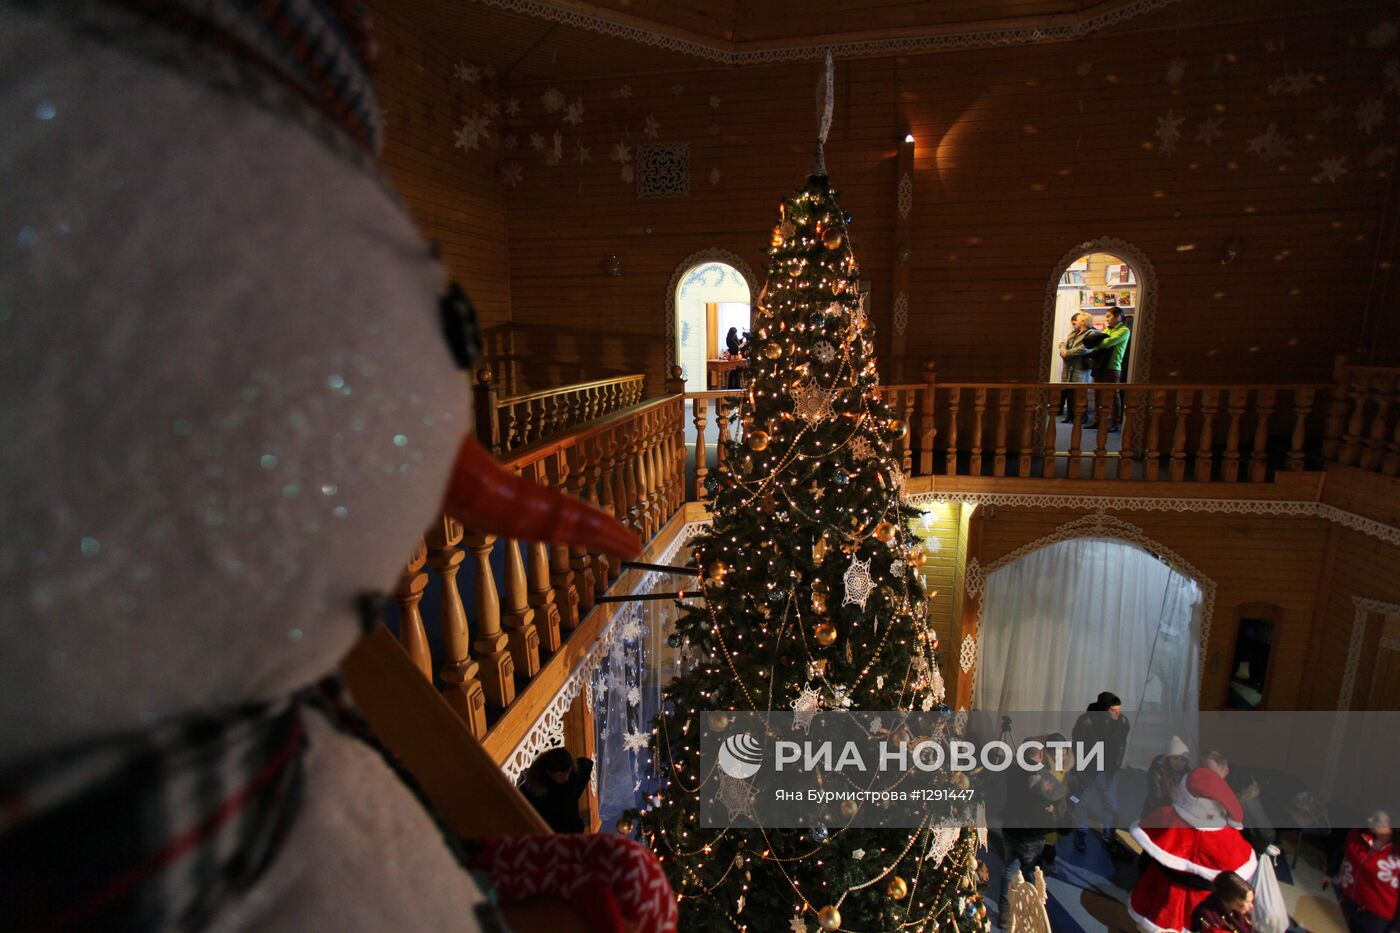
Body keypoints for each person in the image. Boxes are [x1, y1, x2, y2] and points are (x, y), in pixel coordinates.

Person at [1129, 768, 1259, 933]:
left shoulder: (1166, 817)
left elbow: (1146, 843)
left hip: (1164, 891)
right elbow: (1238, 867)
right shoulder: (1227, 835)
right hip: (1202, 900)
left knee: (1156, 922)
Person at [997, 743, 1066, 920]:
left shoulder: (1012, 769)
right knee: (1026, 870)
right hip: (1030, 833)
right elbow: (1055, 793)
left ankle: (1004, 913)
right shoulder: (1038, 774)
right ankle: (1022, 910)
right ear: (1041, 755)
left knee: (1010, 867)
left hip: (1010, 827)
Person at [1072, 691, 1131, 851]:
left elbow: (1121, 745)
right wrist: (1081, 769)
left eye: (1118, 709)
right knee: (1081, 803)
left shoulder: (1123, 722)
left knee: (1111, 805)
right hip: (1088, 767)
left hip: (1108, 769)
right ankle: (1081, 833)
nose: (1117, 713)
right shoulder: (1087, 721)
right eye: (1113, 710)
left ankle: (1108, 836)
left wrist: (1115, 765)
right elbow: (1078, 746)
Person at [1329, 808, 1399, 933]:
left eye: (1377, 820)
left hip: (1376, 916)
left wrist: (1396, 927)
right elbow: (1343, 850)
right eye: (1372, 816)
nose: (1370, 820)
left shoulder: (1396, 854)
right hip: (1347, 899)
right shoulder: (1359, 834)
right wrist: (1330, 873)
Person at [522, 747, 595, 833]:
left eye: (568, 771)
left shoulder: (572, 775)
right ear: (548, 772)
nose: (566, 778)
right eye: (560, 775)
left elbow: (587, 765)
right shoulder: (537, 792)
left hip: (574, 827)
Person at [1086, 306, 1131, 432]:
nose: (1107, 319)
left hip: (1112, 366)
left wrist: (1098, 341)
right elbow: (1099, 342)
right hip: (1100, 365)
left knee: (1112, 394)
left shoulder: (1124, 330)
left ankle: (1114, 423)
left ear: (1117, 316)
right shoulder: (1108, 329)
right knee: (1098, 393)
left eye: (1108, 316)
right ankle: (1097, 420)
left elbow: (1108, 342)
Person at [1057, 312, 1096, 422]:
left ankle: (1081, 417)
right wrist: (1063, 351)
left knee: (1080, 393)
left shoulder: (1092, 333)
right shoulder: (1073, 333)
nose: (1075, 322)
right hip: (1069, 368)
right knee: (1069, 393)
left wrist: (1067, 353)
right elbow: (1062, 343)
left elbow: (1085, 348)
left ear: (1084, 321)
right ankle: (1070, 415)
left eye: (1077, 320)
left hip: (1081, 368)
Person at [1142, 735, 1192, 821]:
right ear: (1168, 758)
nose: (1178, 763)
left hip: (1178, 813)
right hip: (1156, 811)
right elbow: (1156, 796)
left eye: (1183, 760)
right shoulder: (1157, 770)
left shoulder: (1187, 773)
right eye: (1175, 758)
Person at [1191, 871, 1257, 933]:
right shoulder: (1206, 915)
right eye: (1248, 902)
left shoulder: (1241, 914)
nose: (1251, 906)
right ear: (1233, 899)